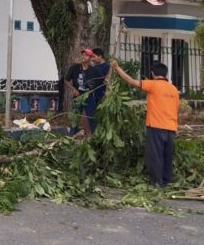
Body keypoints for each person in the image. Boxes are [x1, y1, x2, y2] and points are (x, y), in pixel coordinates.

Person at [110, 59, 180, 187]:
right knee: (167, 155)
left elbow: (131, 81)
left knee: (155, 155)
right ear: (166, 74)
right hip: (171, 127)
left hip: (156, 126)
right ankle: (167, 180)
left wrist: (117, 68)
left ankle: (157, 183)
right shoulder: (174, 89)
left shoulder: (152, 84)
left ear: (153, 73)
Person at [63, 49, 94, 133]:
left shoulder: (93, 70)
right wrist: (73, 89)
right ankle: (72, 137)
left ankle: (94, 137)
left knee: (91, 118)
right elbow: (66, 80)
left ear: (90, 58)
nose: (83, 57)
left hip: (89, 98)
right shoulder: (74, 67)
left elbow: (100, 81)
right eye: (82, 55)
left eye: (86, 55)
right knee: (75, 117)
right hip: (77, 97)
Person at [80, 47, 110, 134]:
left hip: (101, 95)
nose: (92, 59)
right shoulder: (94, 67)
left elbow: (107, 81)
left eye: (94, 57)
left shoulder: (107, 67)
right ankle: (89, 136)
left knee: (97, 117)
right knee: (85, 116)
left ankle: (97, 134)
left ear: (100, 56)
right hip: (92, 95)